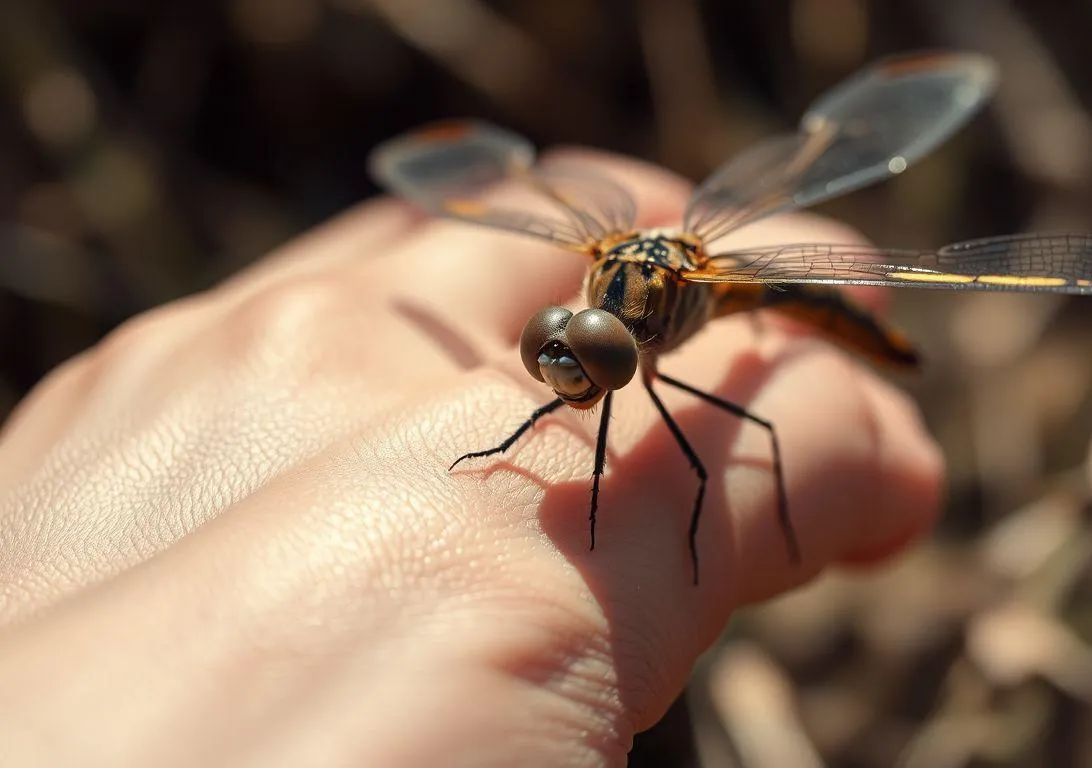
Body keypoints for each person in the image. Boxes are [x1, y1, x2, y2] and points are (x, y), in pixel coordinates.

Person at [0, 149, 943, 765]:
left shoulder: (674, 309)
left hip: (785, 302)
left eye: (587, 357)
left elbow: (696, 445)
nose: (567, 365)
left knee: (724, 452)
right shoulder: (593, 312)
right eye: (559, 350)